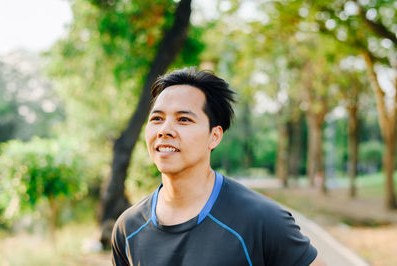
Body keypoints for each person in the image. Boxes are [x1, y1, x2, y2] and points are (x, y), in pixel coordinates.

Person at [111, 68, 323, 266]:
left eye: (183, 119)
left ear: (214, 137)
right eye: (157, 118)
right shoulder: (127, 228)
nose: (165, 130)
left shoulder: (263, 221)